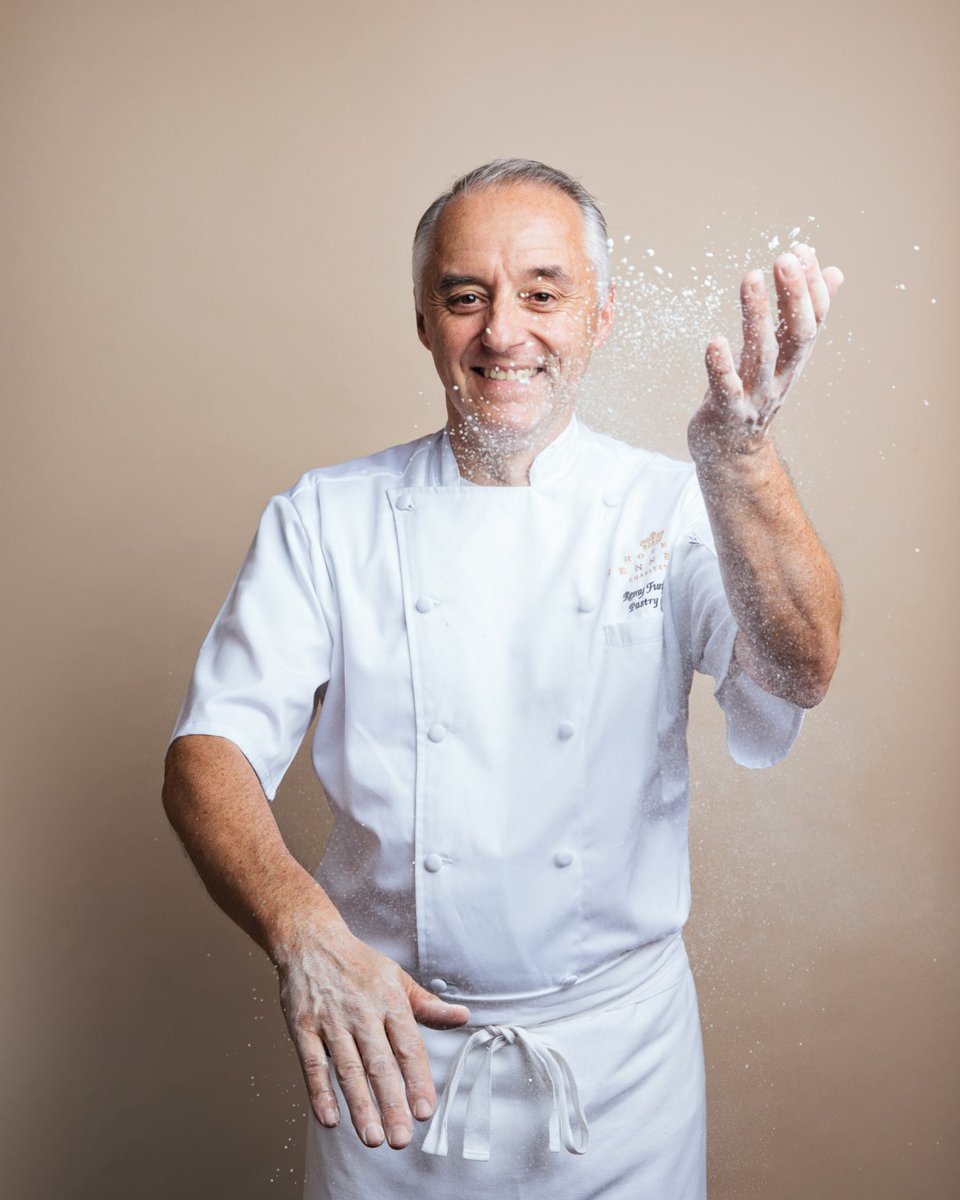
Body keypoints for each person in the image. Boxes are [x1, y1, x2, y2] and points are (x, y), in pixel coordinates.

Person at [163, 158, 843, 1199]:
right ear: (425, 321)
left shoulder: (670, 506)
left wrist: (741, 456)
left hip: (621, 1075)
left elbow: (802, 666)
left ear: (600, 315)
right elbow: (205, 754)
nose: (502, 333)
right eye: (465, 296)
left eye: (542, 292)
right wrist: (302, 928)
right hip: (388, 1060)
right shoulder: (327, 519)